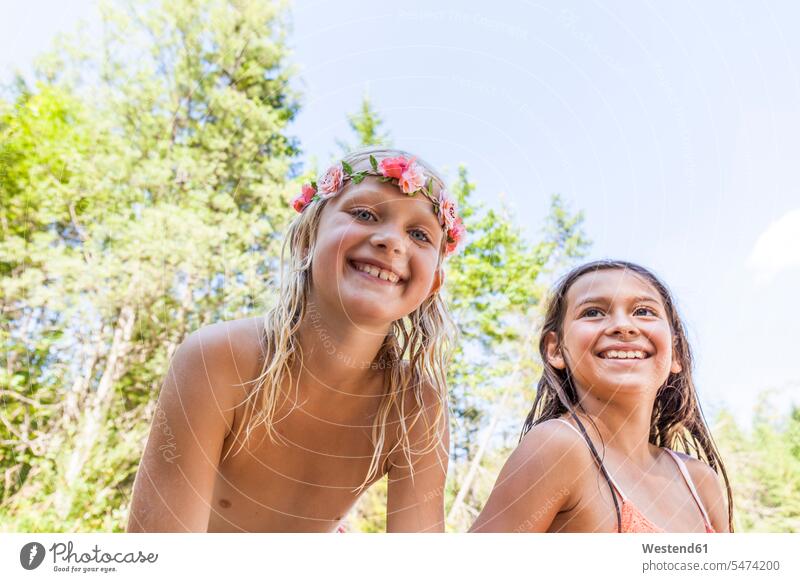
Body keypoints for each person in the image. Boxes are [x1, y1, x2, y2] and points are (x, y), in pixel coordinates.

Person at [127, 147, 466, 532]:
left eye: (419, 234)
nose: (392, 241)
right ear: (307, 239)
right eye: (365, 214)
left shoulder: (415, 404)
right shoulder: (218, 360)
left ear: (434, 284)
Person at [470, 260, 733, 533]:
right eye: (593, 312)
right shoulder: (558, 448)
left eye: (644, 311)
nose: (623, 326)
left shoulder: (700, 481)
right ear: (556, 350)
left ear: (675, 352)